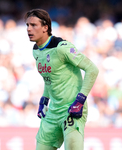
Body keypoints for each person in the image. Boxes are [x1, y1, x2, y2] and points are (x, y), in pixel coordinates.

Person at [24, 8, 99, 150]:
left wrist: (80, 100)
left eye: (34, 25)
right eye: (27, 25)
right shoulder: (36, 50)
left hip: (71, 109)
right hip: (53, 112)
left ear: (45, 27)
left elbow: (92, 69)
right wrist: (45, 98)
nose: (29, 29)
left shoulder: (62, 48)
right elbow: (50, 76)